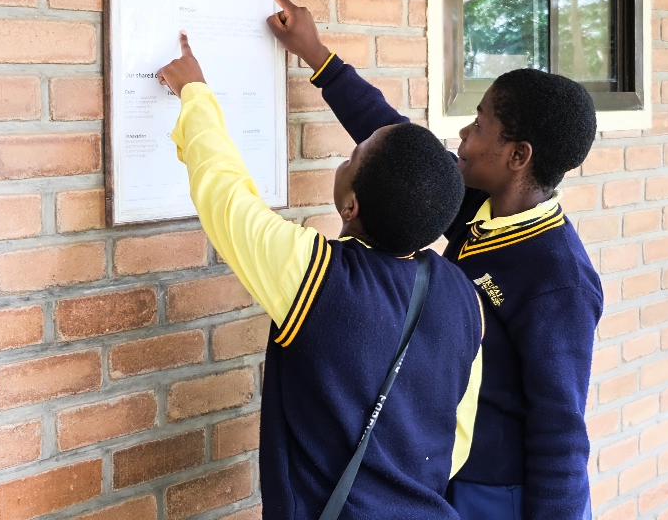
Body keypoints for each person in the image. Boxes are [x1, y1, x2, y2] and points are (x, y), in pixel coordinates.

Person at [263, 0, 602, 520]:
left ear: (518, 156)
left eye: (481, 123)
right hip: (443, 468)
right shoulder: (477, 203)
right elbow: (392, 142)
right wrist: (316, 55)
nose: (464, 132)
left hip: (498, 492)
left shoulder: (558, 278)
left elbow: (561, 428)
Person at [156, 32, 484, 519]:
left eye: (353, 157)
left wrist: (195, 93)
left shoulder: (318, 275)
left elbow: (225, 196)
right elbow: (458, 436)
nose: (343, 157)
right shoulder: (462, 293)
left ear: (351, 206)